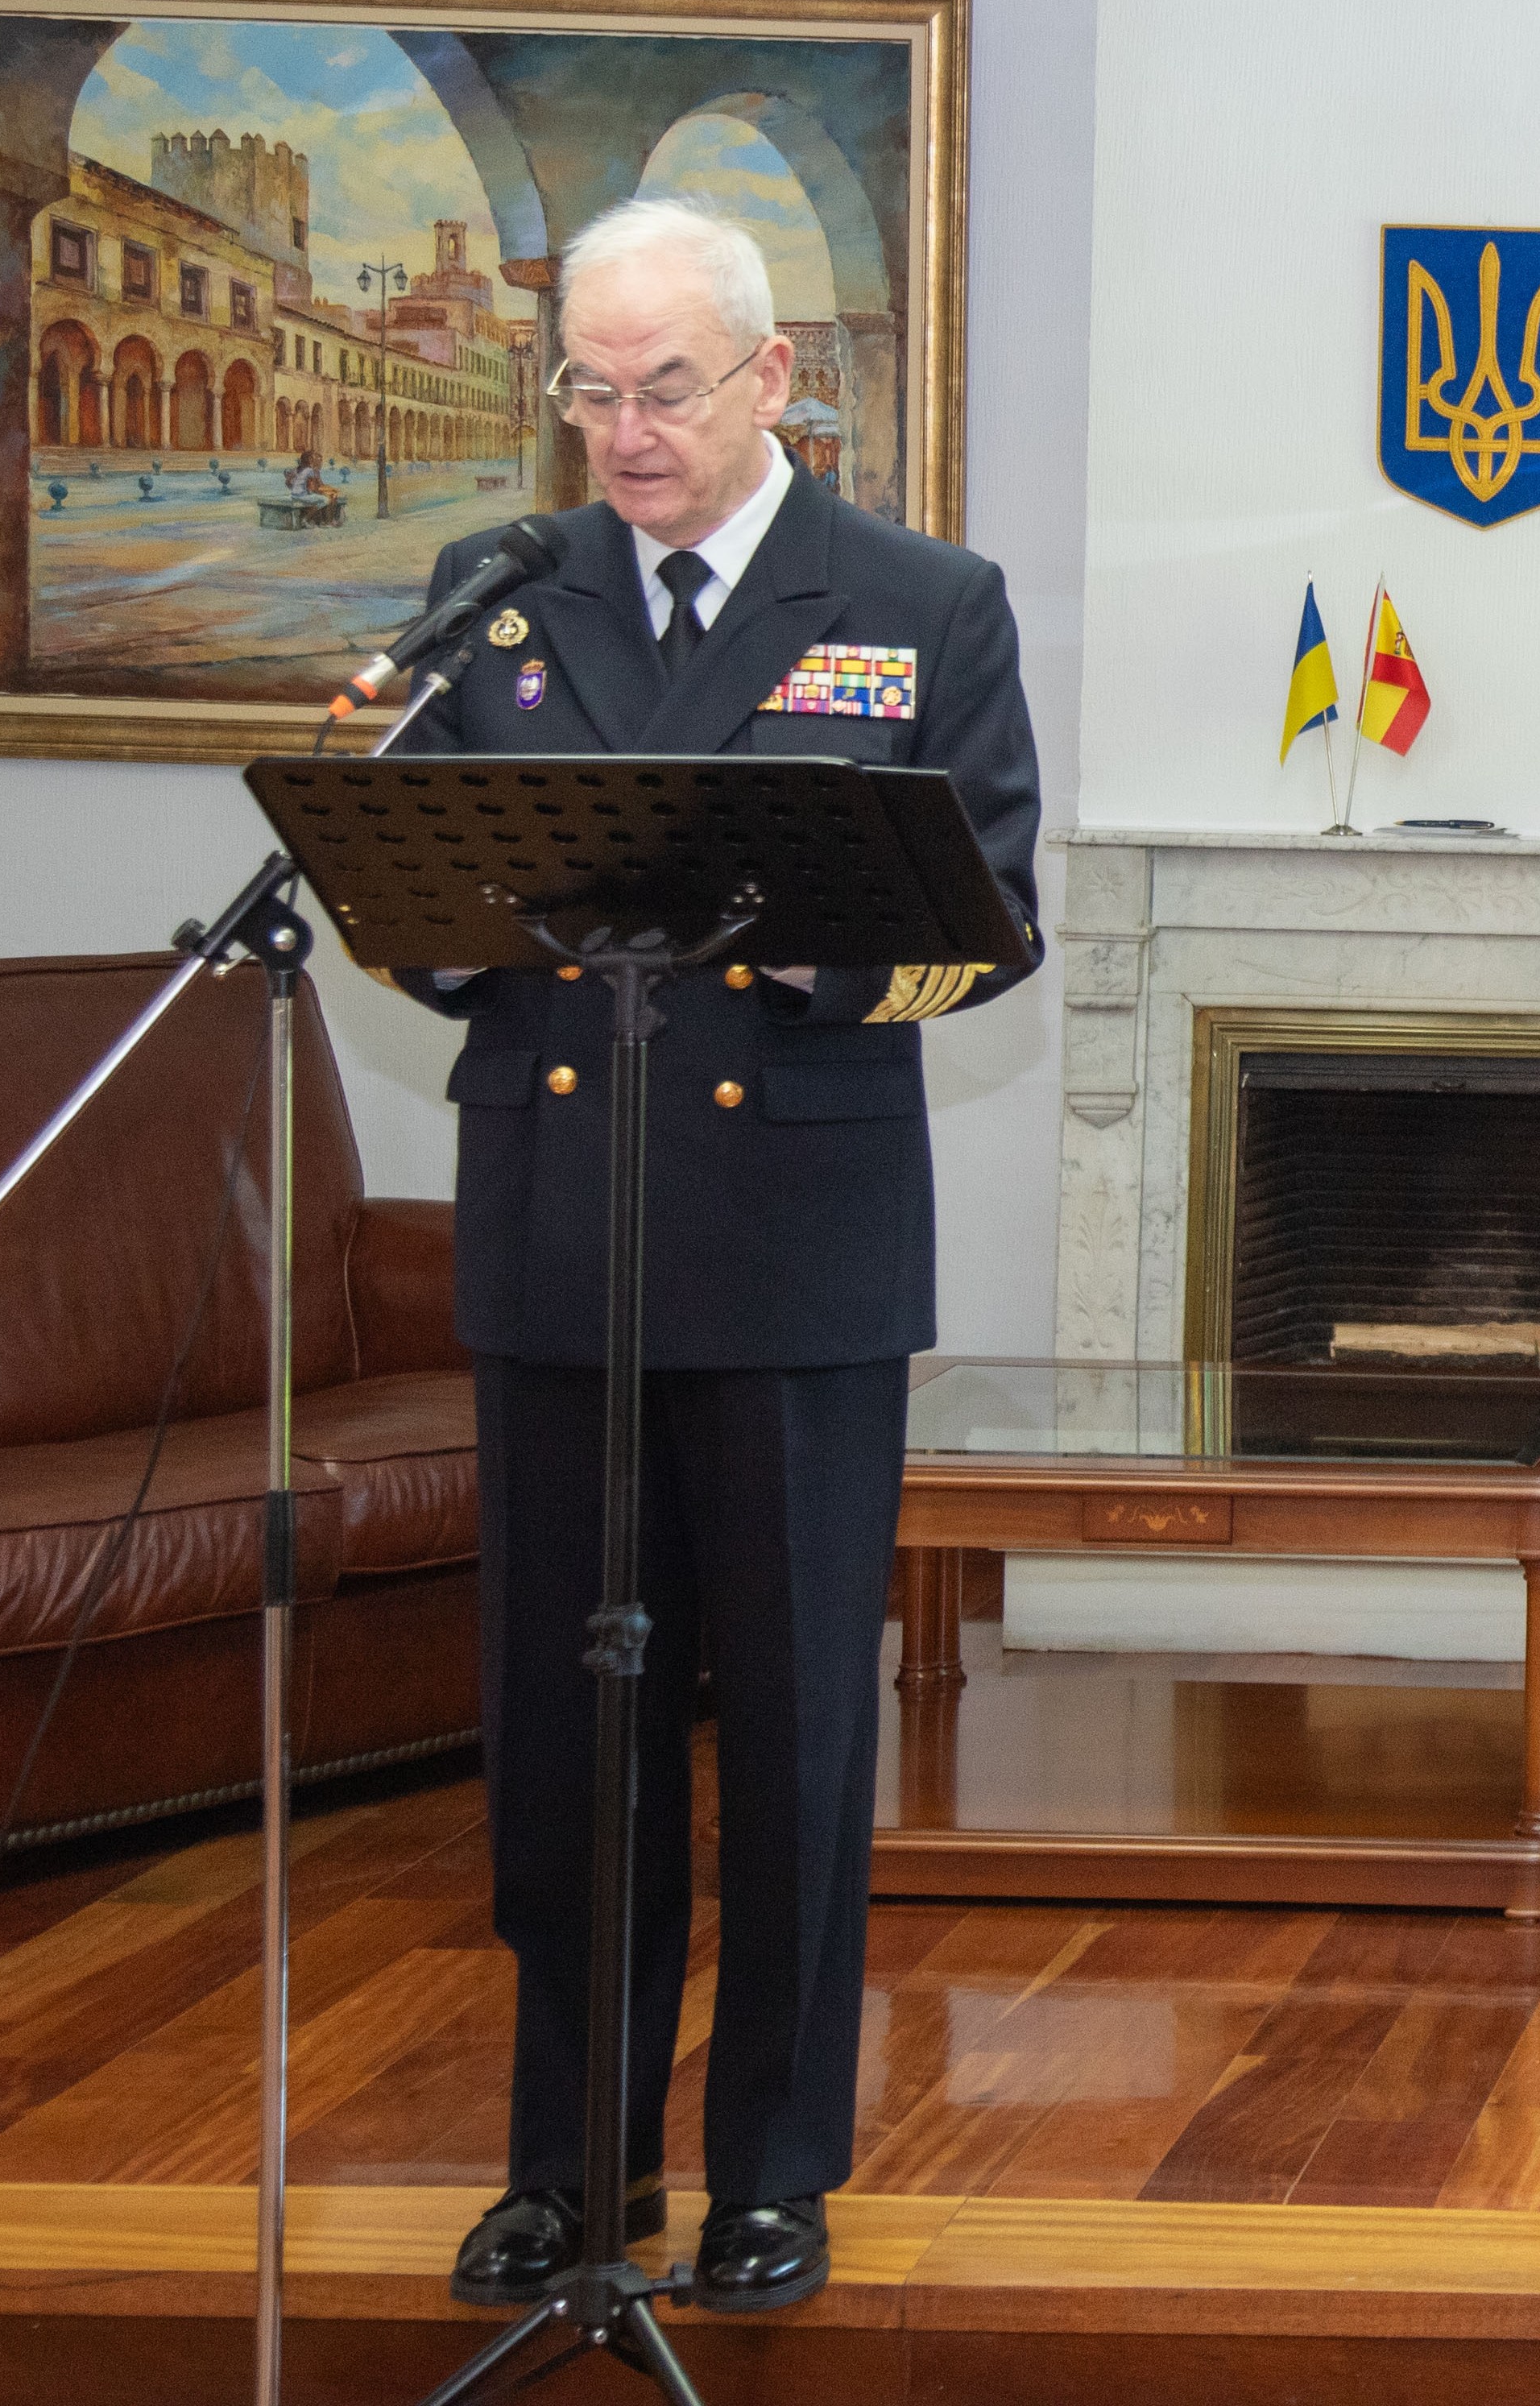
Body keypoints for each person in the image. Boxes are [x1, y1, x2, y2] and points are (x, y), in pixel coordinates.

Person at [388, 196, 1041, 2316]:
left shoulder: (919, 602)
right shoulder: (499, 598)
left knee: (783, 1741)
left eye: (663, 388)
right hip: (560, 1232)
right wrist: (441, 915)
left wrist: (796, 957)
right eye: (585, 388)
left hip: (795, 1245)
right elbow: (420, 904)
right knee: (561, 1741)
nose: (621, 433)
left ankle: (771, 2170)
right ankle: (568, 2172)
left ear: (773, 378)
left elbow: (988, 920)